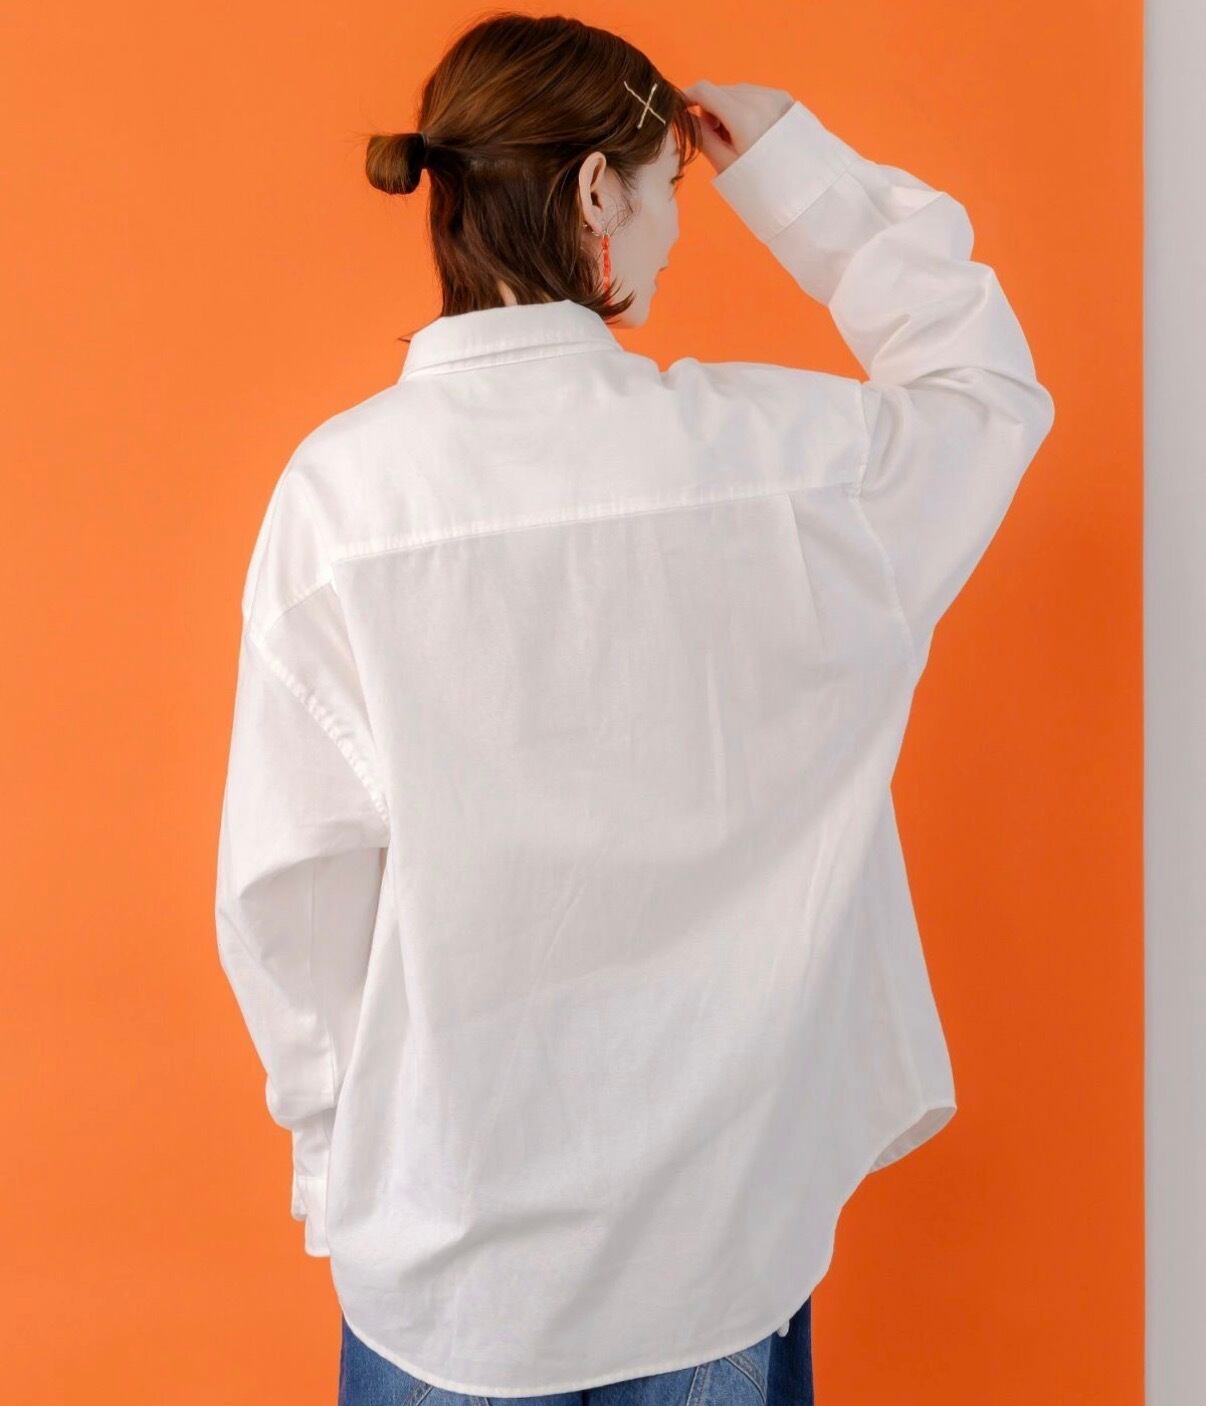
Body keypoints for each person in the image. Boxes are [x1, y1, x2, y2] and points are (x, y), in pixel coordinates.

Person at [214, 12, 1054, 1405]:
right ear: (597, 192)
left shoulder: (341, 497)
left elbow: (287, 892)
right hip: (713, 1248)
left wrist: (339, 1166)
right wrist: (798, 176)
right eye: (672, 187)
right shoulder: (786, 463)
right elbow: (983, 394)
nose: (677, 228)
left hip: (448, 1260)